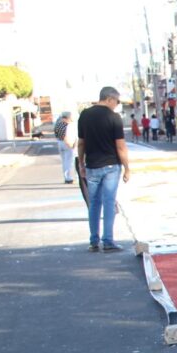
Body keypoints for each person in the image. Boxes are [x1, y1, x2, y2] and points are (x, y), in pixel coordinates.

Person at [76, 86, 130, 252]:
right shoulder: (114, 118)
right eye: (117, 101)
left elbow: (81, 142)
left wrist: (81, 163)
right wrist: (127, 168)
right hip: (111, 166)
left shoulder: (84, 115)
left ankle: (93, 240)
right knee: (108, 202)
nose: (116, 105)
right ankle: (108, 241)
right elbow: (120, 146)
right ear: (109, 99)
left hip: (92, 165)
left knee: (94, 203)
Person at [53, 110, 77, 184]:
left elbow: (56, 133)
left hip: (60, 142)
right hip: (68, 143)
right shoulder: (67, 124)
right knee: (70, 161)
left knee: (64, 161)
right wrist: (70, 144)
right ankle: (69, 178)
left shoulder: (58, 123)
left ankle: (66, 176)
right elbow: (65, 136)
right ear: (68, 117)